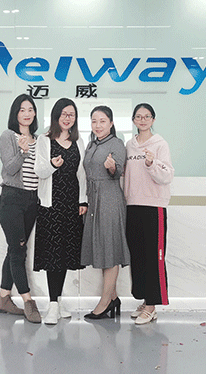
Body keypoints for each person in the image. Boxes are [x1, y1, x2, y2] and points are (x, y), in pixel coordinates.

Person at [34, 98, 88, 325]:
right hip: (51, 205)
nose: (68, 118)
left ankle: (58, 300)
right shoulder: (44, 140)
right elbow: (39, 171)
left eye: (71, 114)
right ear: (56, 115)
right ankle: (53, 304)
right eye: (64, 114)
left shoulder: (79, 141)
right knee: (53, 255)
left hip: (71, 204)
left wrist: (83, 200)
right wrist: (53, 165)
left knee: (65, 254)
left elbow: (82, 174)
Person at [123, 103, 174, 324]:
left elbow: (167, 176)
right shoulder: (129, 145)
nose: (142, 120)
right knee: (138, 256)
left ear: (153, 119)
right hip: (132, 205)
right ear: (133, 120)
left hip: (154, 207)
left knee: (154, 256)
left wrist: (152, 163)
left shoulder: (160, 144)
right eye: (138, 116)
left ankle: (152, 305)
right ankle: (145, 301)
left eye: (147, 116)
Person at [0, 94, 41, 323]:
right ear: (15, 113)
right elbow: (10, 169)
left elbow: (40, 171)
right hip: (12, 199)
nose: (26, 113)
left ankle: (4, 298)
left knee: (14, 249)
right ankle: (28, 301)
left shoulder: (38, 139)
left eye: (30, 109)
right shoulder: (8, 136)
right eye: (22, 109)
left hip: (32, 201)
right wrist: (23, 152)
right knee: (18, 251)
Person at [81, 105, 129, 319]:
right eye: (94, 121)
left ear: (111, 123)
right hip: (94, 199)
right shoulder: (91, 144)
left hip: (109, 199)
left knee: (110, 249)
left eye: (102, 121)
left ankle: (104, 302)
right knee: (102, 249)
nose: (98, 125)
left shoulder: (116, 143)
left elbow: (117, 171)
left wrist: (111, 167)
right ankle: (113, 297)